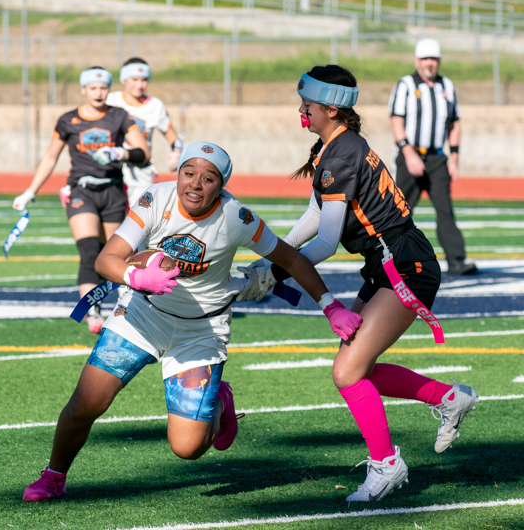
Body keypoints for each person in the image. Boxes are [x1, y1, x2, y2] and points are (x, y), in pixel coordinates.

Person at [22, 141, 361, 502]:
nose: (196, 184)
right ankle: (54, 476)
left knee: (187, 448)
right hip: (142, 314)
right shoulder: (156, 198)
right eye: (189, 173)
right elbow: (107, 259)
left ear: (221, 186)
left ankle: (220, 400)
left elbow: (291, 259)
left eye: (208, 178)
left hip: (201, 329)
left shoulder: (236, 216)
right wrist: (137, 277)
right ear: (178, 173)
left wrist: (330, 306)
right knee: (86, 403)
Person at [237, 65, 479, 503]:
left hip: (403, 265)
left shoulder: (339, 155)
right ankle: (447, 398)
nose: (301, 111)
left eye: (308, 104)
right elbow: (315, 215)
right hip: (387, 262)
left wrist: (276, 271)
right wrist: (272, 257)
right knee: (358, 369)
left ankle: (387, 465)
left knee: (347, 371)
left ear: (331, 108)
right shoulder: (333, 146)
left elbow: (327, 242)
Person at [12, 66, 150, 334]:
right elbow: (50, 157)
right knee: (89, 252)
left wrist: (119, 153)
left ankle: (125, 308)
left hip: (112, 192)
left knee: (114, 254)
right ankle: (92, 312)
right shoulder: (68, 120)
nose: (98, 92)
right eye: (93, 88)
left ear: (109, 89)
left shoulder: (119, 116)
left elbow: (143, 152)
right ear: (83, 89)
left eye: (103, 87)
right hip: (81, 191)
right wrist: (31, 191)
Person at [389, 38, 477, 276]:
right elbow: (396, 120)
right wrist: (408, 153)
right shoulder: (406, 85)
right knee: (400, 210)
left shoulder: (446, 85)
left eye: (434, 59)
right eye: (425, 58)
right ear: (417, 61)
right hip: (410, 156)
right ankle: (388, 258)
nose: (430, 63)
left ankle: (456, 261)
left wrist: (454, 158)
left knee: (445, 209)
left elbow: (454, 123)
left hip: (437, 159)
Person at [106, 57, 184, 206]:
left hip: (140, 172)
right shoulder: (110, 100)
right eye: (134, 79)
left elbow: (173, 137)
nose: (139, 85)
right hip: (112, 168)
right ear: (123, 79)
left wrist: (177, 152)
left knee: (141, 216)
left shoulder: (155, 106)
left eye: (144, 80)